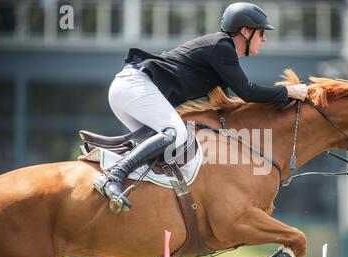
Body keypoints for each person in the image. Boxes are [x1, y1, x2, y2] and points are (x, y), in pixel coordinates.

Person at [94, 2, 308, 213]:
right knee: (175, 133)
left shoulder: (222, 57)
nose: (264, 39)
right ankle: (113, 177)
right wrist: (288, 92)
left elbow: (234, 106)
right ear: (245, 31)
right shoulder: (222, 48)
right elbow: (248, 92)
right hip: (135, 86)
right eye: (261, 33)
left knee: (168, 150)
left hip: (131, 90)